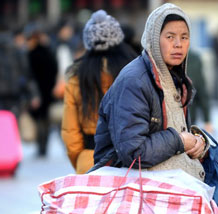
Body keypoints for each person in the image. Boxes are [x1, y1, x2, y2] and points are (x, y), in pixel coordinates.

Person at [91, 3, 208, 181]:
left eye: (184, 37)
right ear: (154, 39)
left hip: (174, 180)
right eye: (170, 37)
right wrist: (180, 141)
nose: (178, 44)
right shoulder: (134, 81)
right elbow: (133, 153)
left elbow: (180, 134)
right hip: (138, 188)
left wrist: (198, 142)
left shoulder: (175, 78)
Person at [61, 10, 137, 174]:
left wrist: (80, 160)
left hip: (90, 158)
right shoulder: (134, 72)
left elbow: (70, 131)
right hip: (129, 162)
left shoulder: (76, 77)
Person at [26, 29, 58, 157]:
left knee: (40, 119)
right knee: (45, 119)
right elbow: (54, 69)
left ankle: (41, 146)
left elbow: (30, 75)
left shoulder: (32, 54)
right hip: (48, 91)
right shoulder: (48, 52)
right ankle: (44, 146)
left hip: (38, 92)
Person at [187, 49, 213, 133]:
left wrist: (207, 119)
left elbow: (201, 89)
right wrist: (207, 120)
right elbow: (201, 90)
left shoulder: (193, 59)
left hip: (188, 118)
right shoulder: (194, 58)